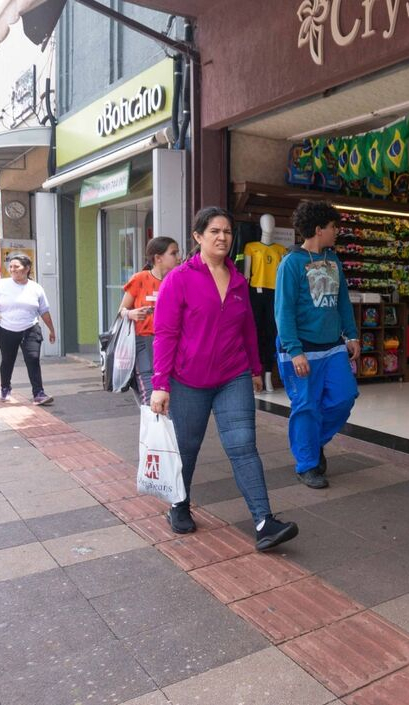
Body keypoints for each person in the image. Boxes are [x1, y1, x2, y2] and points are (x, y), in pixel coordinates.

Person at [150, 207, 298, 552]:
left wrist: (256, 369)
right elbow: (166, 333)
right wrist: (160, 383)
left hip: (232, 376)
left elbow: (247, 328)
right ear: (198, 237)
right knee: (187, 448)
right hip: (189, 380)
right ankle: (179, 504)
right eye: (214, 231)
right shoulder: (180, 278)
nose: (222, 237)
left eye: (228, 232)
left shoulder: (238, 281)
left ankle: (264, 522)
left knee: (243, 445)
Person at [274, 200, 359, 490]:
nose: (337, 232)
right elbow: (282, 311)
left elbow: (343, 301)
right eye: (334, 227)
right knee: (306, 407)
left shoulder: (333, 260)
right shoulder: (291, 263)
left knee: (344, 396)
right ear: (319, 229)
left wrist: (352, 333)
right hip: (301, 349)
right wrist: (294, 351)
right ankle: (308, 464)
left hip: (333, 346)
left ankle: (311, 441)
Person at [0, 255, 57, 405]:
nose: (12, 269)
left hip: (30, 328)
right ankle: (5, 388)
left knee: (33, 358)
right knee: (8, 360)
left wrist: (51, 329)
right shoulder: (1, 285)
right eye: (11, 267)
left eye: (16, 266)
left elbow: (44, 310)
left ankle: (38, 393)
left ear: (27, 268)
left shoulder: (36, 287)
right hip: (6, 329)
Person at [119, 237, 180, 405]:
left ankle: (163, 428)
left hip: (171, 343)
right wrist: (131, 314)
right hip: (143, 341)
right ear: (158, 258)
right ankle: (153, 427)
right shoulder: (140, 279)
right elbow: (121, 311)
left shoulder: (178, 280)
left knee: (170, 390)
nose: (179, 257)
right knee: (149, 391)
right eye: (173, 253)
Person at [243, 214, 286, 393]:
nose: (269, 225)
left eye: (272, 221)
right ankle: (256, 374)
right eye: (265, 222)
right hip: (255, 292)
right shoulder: (251, 247)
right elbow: (246, 274)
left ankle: (269, 374)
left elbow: (283, 277)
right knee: (255, 332)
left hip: (274, 294)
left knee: (271, 333)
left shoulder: (281, 250)